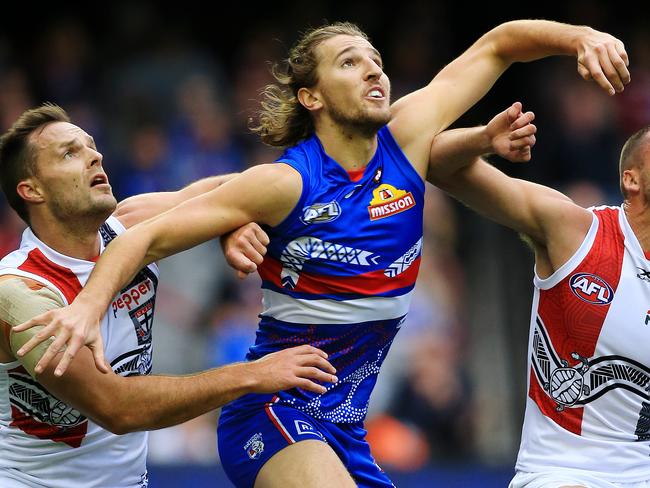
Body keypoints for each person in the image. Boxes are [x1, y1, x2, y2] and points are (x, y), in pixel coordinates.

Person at [16, 20, 630, 488]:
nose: (373, 71)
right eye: (348, 62)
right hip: (273, 412)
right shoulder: (285, 182)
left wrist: (579, 37)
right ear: (311, 97)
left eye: (376, 60)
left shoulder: (408, 136)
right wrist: (87, 309)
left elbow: (497, 46)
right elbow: (145, 236)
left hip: (346, 425)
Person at [0, 104, 337, 488]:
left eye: (91, 146)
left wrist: (231, 224)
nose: (95, 156)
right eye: (69, 153)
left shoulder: (130, 224)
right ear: (32, 190)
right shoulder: (21, 292)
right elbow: (117, 408)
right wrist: (252, 374)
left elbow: (231, 191)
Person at [427, 102, 650, 487]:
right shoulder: (578, 232)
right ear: (632, 179)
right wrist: (483, 139)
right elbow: (431, 159)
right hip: (566, 473)